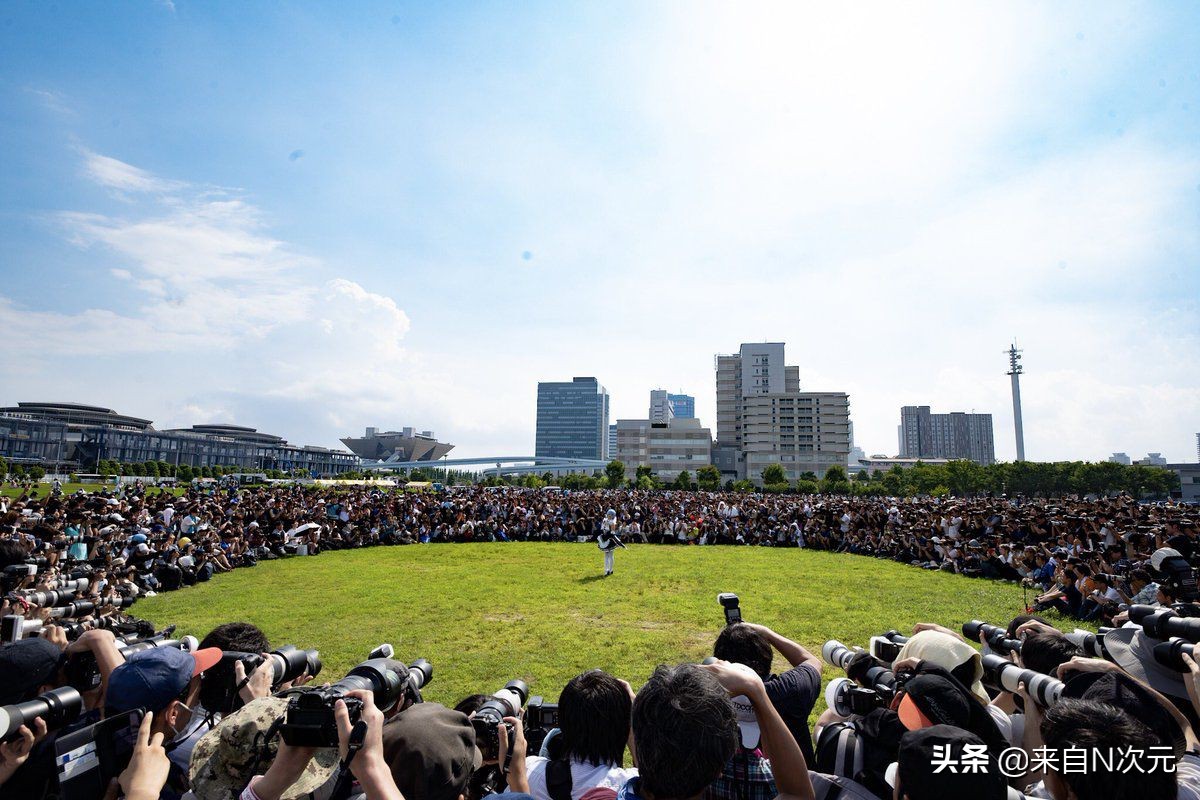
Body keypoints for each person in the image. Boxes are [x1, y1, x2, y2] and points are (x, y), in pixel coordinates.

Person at [508, 670, 637, 800]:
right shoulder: (633, 787)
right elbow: (648, 776)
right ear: (625, 729)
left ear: (561, 724)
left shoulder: (527, 773)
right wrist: (634, 723)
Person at [598, 510, 624, 577]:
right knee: (606, 555)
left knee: (611, 555)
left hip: (610, 538)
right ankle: (606, 570)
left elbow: (612, 531)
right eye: (608, 514)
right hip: (604, 538)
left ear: (613, 516)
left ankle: (611, 569)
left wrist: (611, 524)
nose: (609, 515)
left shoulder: (613, 521)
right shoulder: (605, 519)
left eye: (610, 514)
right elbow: (602, 529)